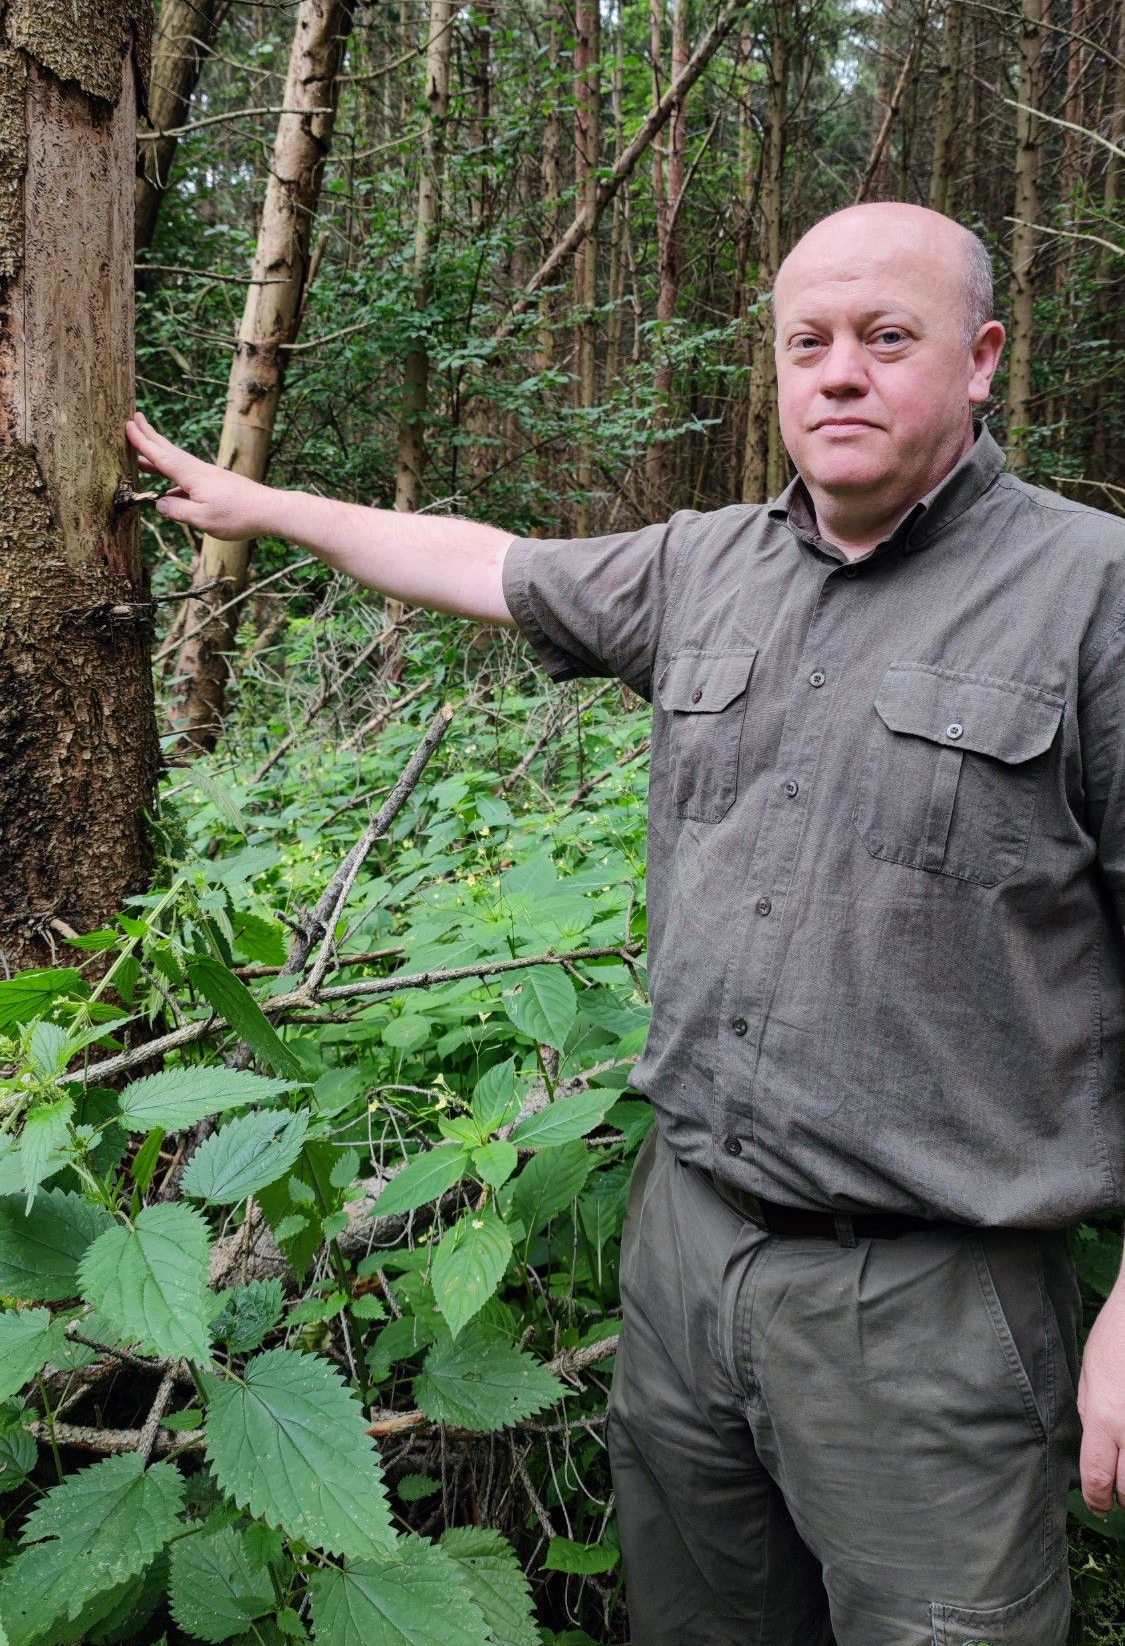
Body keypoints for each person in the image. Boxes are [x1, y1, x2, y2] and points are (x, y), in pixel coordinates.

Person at [126, 199, 1125, 1646]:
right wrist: (268, 506)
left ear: (976, 362)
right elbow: (484, 563)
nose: (838, 372)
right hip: (685, 1256)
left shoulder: (1091, 595)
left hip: (932, 1312)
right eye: (807, 342)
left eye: (884, 338)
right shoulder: (702, 567)